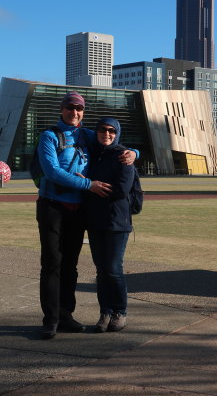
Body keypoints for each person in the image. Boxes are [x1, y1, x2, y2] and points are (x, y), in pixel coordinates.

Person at [36, 92, 135, 340]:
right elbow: (52, 172)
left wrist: (134, 153)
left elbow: (111, 140)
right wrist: (88, 185)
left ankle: (66, 315)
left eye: (79, 109)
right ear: (62, 109)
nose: (74, 112)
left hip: (78, 210)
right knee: (52, 263)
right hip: (52, 207)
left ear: (83, 112)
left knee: (70, 265)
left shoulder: (86, 134)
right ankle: (51, 319)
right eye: (70, 108)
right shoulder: (49, 136)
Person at [84, 118, 134, 332]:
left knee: (113, 269)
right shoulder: (93, 155)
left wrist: (93, 188)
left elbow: (122, 189)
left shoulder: (123, 156)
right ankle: (105, 312)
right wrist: (88, 185)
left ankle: (120, 312)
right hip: (95, 221)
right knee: (101, 270)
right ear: (96, 132)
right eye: (103, 130)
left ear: (118, 133)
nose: (107, 134)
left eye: (112, 131)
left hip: (117, 222)